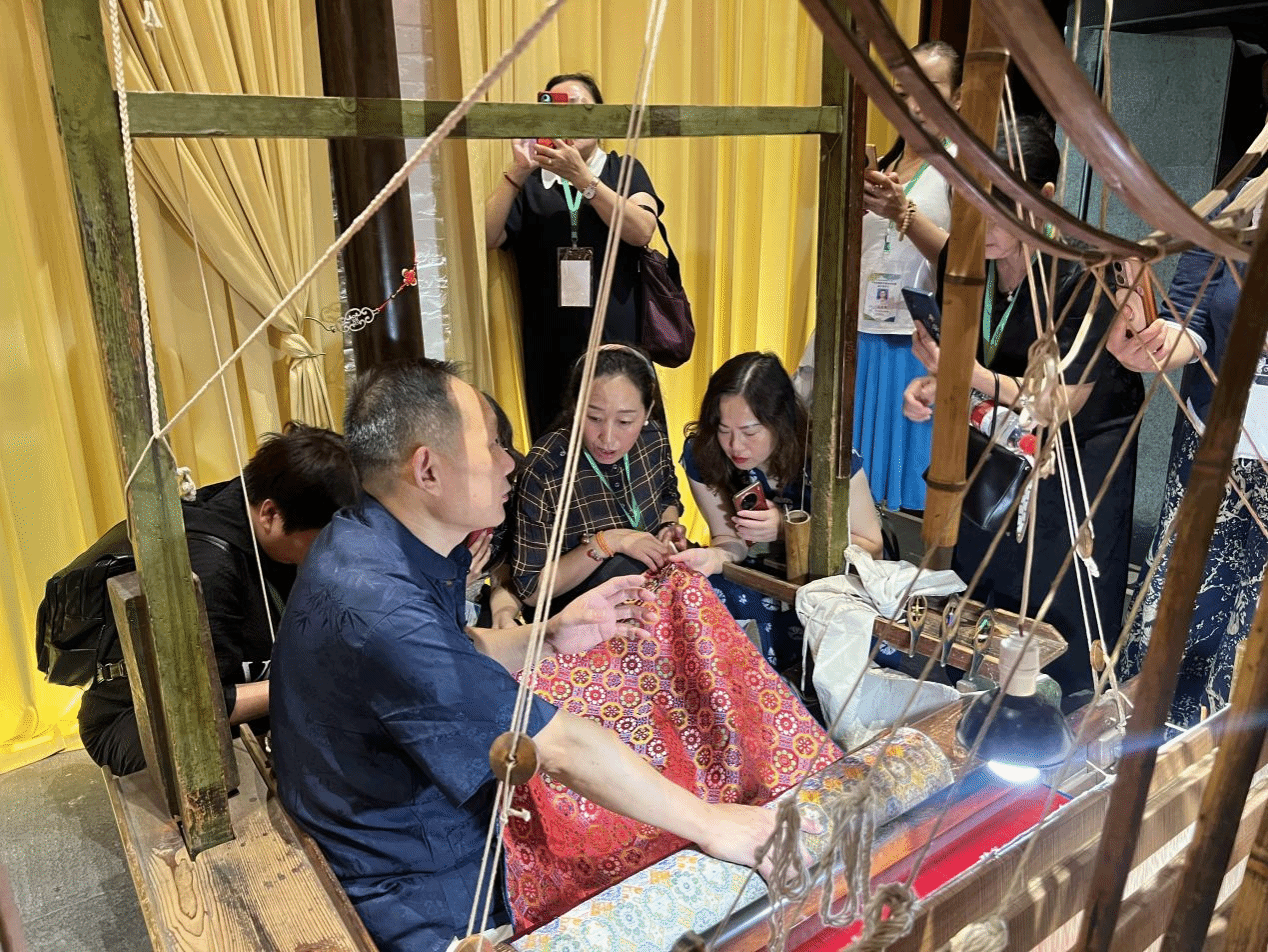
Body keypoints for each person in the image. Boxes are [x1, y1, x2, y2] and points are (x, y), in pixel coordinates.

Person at [269, 358, 774, 952]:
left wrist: (553, 635)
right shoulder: (381, 607)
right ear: (427, 469)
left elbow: (456, 646)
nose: (510, 461)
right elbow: (559, 747)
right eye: (492, 446)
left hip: (386, 822)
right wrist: (712, 823)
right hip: (413, 880)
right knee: (682, 840)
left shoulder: (363, 537)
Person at [903, 117, 1144, 701]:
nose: (979, 222)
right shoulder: (966, 262)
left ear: (1045, 198)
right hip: (997, 447)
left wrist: (966, 375)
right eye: (965, 201)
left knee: (1060, 597)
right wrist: (936, 385)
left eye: (999, 205)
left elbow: (1060, 400)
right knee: (983, 575)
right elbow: (975, 368)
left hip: (1078, 459)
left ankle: (1064, 717)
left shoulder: (1087, 275)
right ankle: (972, 703)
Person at [78, 423, 359, 776]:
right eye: (321, 542)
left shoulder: (270, 508)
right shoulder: (210, 568)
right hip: (140, 721)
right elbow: (197, 707)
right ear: (270, 515)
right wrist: (310, 685)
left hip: (224, 693)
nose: (331, 554)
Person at [1114, 190, 1266, 729]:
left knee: (1252, 654)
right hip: (1215, 450)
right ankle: (1149, 761)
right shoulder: (1239, 201)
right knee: (1174, 623)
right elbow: (1193, 318)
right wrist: (1154, 341)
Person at [795, 40, 962, 513]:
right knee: (855, 485)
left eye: (928, 90)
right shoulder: (883, 166)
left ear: (958, 99)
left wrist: (902, 212)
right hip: (861, 337)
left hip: (916, 344)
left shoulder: (960, 169)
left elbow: (965, 265)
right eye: (902, 92)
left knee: (912, 488)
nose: (913, 104)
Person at [676, 352, 884, 670]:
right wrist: (714, 557)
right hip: (754, 578)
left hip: (827, 584)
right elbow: (728, 541)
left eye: (750, 432)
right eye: (723, 429)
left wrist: (788, 530)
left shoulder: (828, 456)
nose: (735, 446)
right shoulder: (704, 452)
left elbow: (873, 548)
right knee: (695, 606)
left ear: (781, 422)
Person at [485, 73, 663, 438]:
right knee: (558, 438)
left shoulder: (622, 169)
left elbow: (641, 229)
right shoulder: (531, 182)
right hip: (550, 344)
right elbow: (488, 236)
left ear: (601, 118)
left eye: (580, 109)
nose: (568, 119)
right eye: (557, 109)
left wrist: (583, 179)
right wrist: (518, 170)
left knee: (626, 432)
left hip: (618, 335)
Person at [512, 344, 685, 612]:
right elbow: (531, 590)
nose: (608, 438)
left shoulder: (653, 438)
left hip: (653, 589)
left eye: (625, 422)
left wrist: (668, 527)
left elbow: (667, 495)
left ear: (648, 410)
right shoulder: (545, 470)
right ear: (575, 407)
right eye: (594, 418)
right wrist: (608, 542)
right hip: (582, 613)